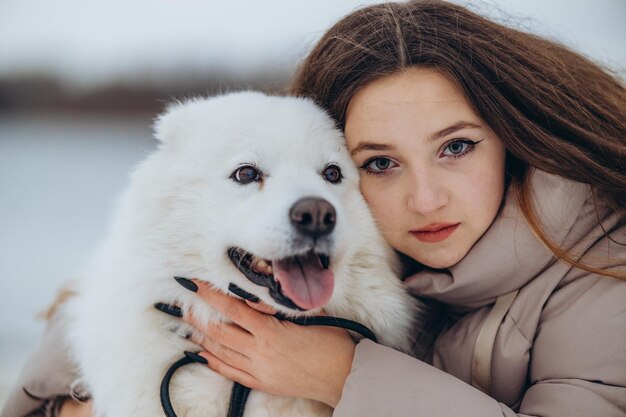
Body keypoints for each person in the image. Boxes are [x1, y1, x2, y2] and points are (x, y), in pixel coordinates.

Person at [2, 1, 625, 416]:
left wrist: (344, 374)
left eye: (456, 147)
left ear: (511, 136)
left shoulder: (606, 272)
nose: (425, 198)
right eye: (378, 162)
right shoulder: (382, 237)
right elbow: (130, 275)